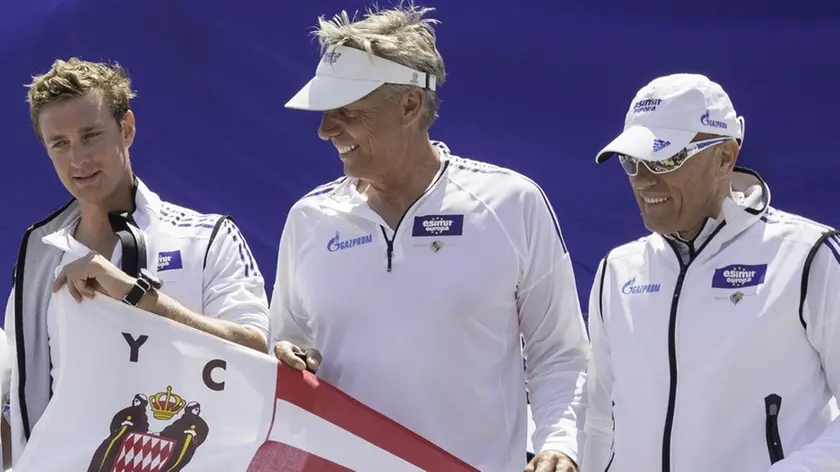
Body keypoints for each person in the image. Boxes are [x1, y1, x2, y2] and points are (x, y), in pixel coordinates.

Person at [270, 3, 589, 472]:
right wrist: (286, 356)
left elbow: (559, 353)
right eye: (324, 111)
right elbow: (284, 345)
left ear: (410, 105)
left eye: (347, 110)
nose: (325, 129)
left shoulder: (511, 203)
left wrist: (559, 444)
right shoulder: (308, 218)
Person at [2, 58, 270, 466]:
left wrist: (137, 296)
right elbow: (30, 410)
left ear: (126, 129)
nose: (78, 158)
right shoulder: (38, 255)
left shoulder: (206, 236)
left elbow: (255, 352)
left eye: (90, 135)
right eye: (60, 144)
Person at [581, 73, 840, 472]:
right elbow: (598, 422)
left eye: (665, 158)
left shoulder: (809, 255)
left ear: (724, 157)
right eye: (631, 161)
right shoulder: (617, 269)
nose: (643, 179)